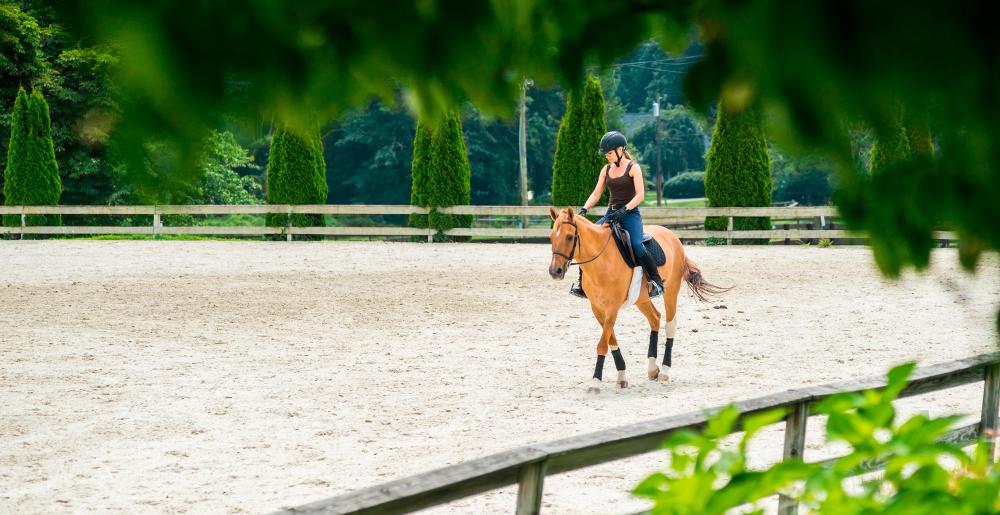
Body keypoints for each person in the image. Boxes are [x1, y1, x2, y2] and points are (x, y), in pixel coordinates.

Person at [569, 130, 664, 299]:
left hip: (630, 214)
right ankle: (582, 285)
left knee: (636, 243)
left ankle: (657, 282)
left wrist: (625, 209)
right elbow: (596, 193)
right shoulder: (606, 170)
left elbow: (640, 195)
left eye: (610, 153)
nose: (607, 156)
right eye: (605, 154)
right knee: (587, 239)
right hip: (611, 213)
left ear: (621, 150)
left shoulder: (633, 168)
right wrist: (584, 209)